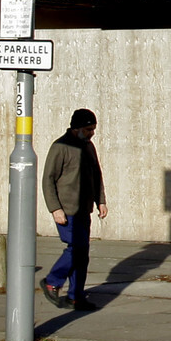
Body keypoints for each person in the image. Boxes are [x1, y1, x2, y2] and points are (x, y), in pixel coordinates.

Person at [40, 109, 105, 310]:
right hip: (66, 210)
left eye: (93, 129)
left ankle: (76, 297)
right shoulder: (60, 147)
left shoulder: (88, 147)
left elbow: (96, 175)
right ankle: (52, 280)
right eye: (88, 129)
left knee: (82, 253)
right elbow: (48, 179)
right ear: (76, 127)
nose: (91, 133)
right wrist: (55, 208)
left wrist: (100, 201)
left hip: (83, 210)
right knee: (76, 248)